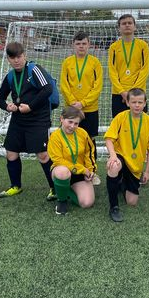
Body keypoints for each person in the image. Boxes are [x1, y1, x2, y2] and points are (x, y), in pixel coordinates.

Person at [0, 42, 56, 201]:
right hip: (18, 119)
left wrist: (31, 106)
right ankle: (16, 186)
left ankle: (54, 188)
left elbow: (47, 89)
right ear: (8, 59)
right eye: (13, 57)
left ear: (24, 55)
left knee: (42, 154)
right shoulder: (10, 76)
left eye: (19, 56)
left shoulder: (34, 69)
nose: (17, 60)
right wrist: (7, 106)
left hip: (38, 118)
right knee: (11, 152)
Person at [104, 88, 149, 222]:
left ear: (145, 103)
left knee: (132, 202)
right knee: (114, 166)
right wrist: (112, 156)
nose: (137, 105)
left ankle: (121, 183)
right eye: (134, 102)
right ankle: (114, 207)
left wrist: (147, 171)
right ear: (127, 103)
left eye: (140, 102)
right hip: (121, 157)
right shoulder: (120, 117)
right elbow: (109, 139)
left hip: (136, 165)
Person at [59, 31, 103, 185]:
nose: (81, 46)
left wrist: (82, 104)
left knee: (89, 141)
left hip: (90, 108)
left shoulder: (95, 62)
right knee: (68, 138)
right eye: (78, 44)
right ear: (73, 45)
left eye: (84, 43)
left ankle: (92, 172)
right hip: (71, 109)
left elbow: (97, 87)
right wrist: (73, 103)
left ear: (89, 44)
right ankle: (69, 171)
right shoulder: (67, 62)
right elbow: (64, 85)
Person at [48, 106, 97, 216]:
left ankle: (66, 190)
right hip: (61, 171)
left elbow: (89, 153)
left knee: (87, 203)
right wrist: (82, 169)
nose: (72, 126)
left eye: (76, 123)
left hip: (80, 172)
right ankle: (62, 201)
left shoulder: (83, 133)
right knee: (62, 172)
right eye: (70, 122)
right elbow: (58, 160)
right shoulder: (55, 136)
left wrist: (90, 170)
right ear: (61, 119)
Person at [108, 14, 149, 118]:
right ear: (119, 28)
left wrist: (132, 92)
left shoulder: (143, 46)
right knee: (119, 126)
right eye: (124, 23)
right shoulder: (113, 47)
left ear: (135, 26)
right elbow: (112, 71)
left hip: (138, 93)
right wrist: (122, 92)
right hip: (118, 94)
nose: (127, 25)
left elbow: (144, 70)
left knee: (139, 125)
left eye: (130, 23)